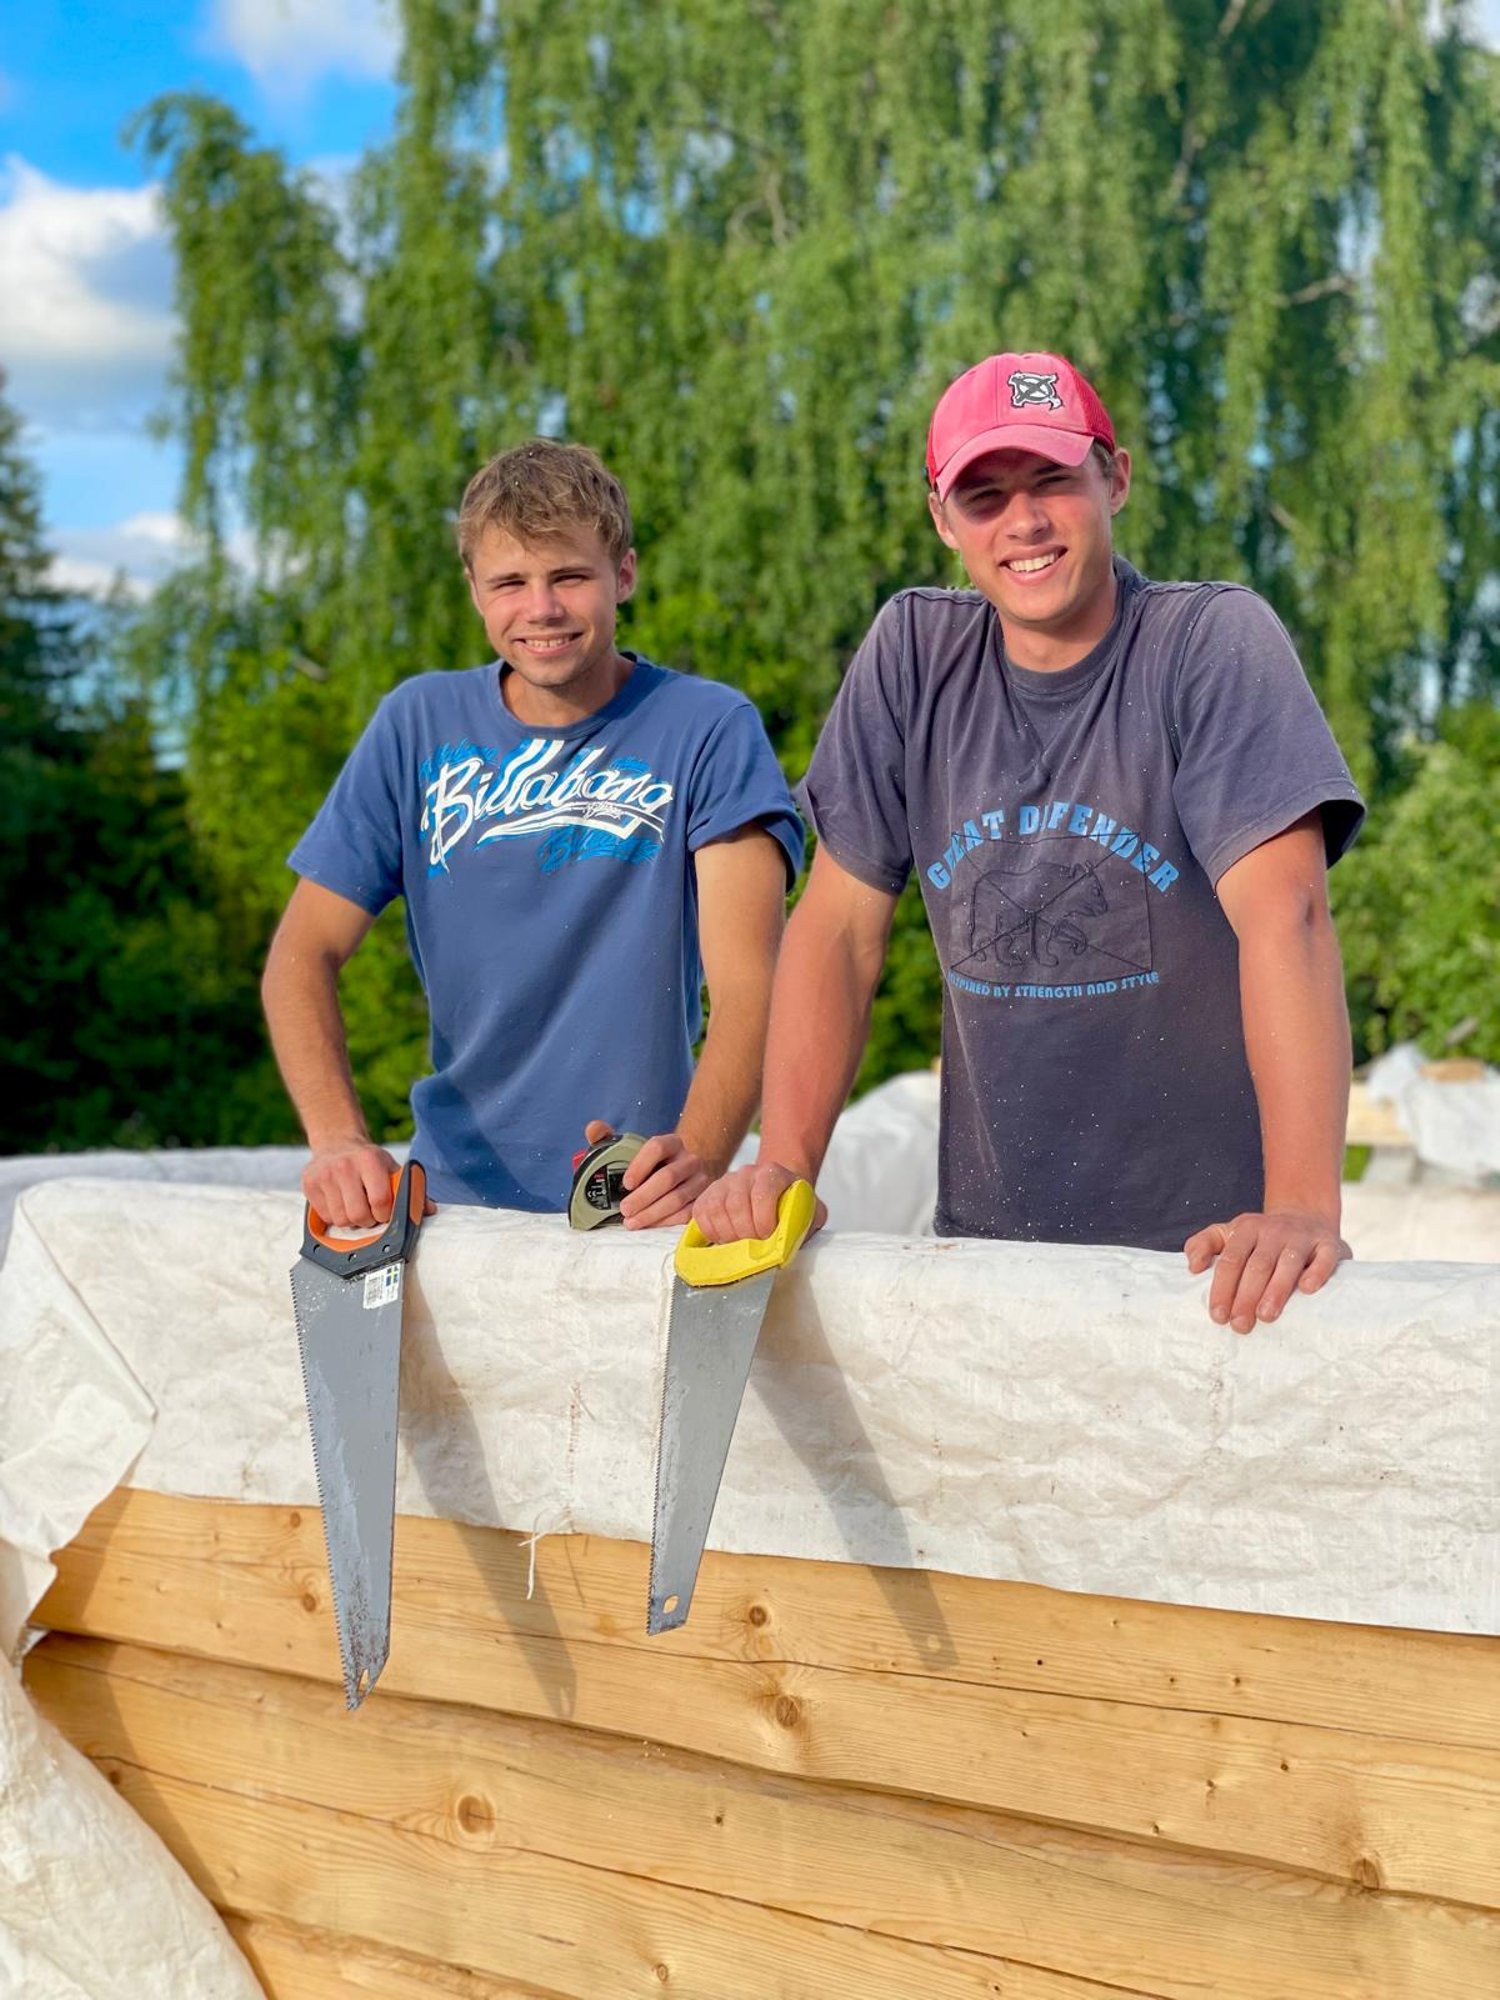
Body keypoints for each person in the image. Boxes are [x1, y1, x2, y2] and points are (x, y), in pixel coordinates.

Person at [694, 350, 1365, 1334]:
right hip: (989, 1263)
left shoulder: (1207, 644)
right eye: (985, 495)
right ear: (942, 519)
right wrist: (784, 1163)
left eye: (1053, 479)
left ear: (1115, 478)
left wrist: (1302, 1206)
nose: (1025, 520)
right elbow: (836, 928)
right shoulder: (912, 656)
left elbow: (1288, 916)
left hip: (1213, 1268)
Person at [262, 438, 803, 1230]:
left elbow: (753, 985)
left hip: (636, 1201)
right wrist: (338, 1140)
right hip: (448, 1208)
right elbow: (300, 955)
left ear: (624, 575)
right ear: (475, 591)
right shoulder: (417, 725)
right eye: (510, 582)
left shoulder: (709, 728)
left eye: (570, 577)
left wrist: (699, 1154)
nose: (541, 608)